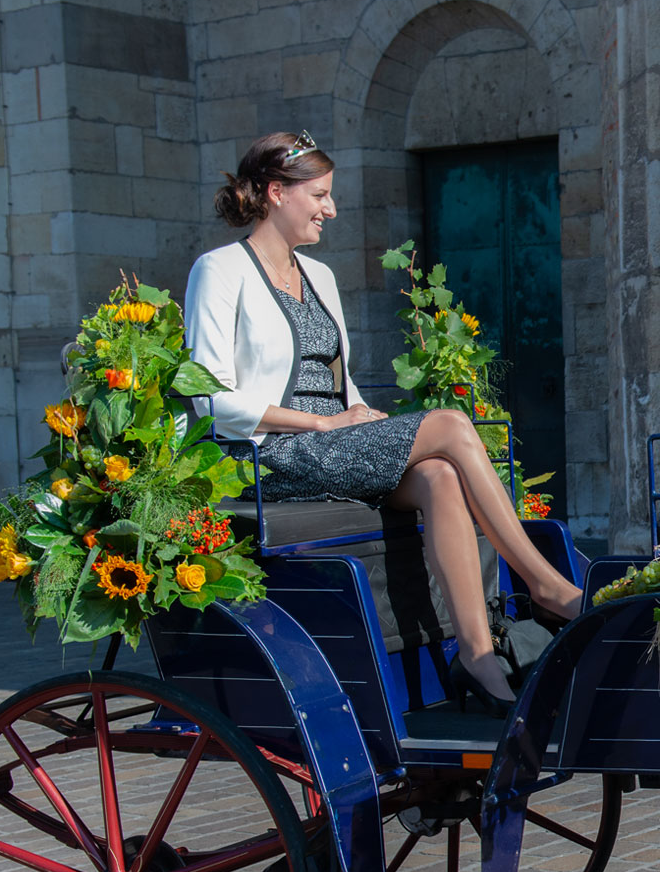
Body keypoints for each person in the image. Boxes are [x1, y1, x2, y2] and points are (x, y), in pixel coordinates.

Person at [184, 130, 582, 709]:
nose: (330, 209)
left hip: (335, 443)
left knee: (440, 476)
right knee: (450, 424)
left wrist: (358, 413)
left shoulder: (319, 276)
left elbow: (337, 379)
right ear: (276, 193)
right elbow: (209, 398)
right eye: (319, 195)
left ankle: (477, 656)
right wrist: (321, 425)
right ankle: (546, 586)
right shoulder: (220, 271)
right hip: (269, 454)